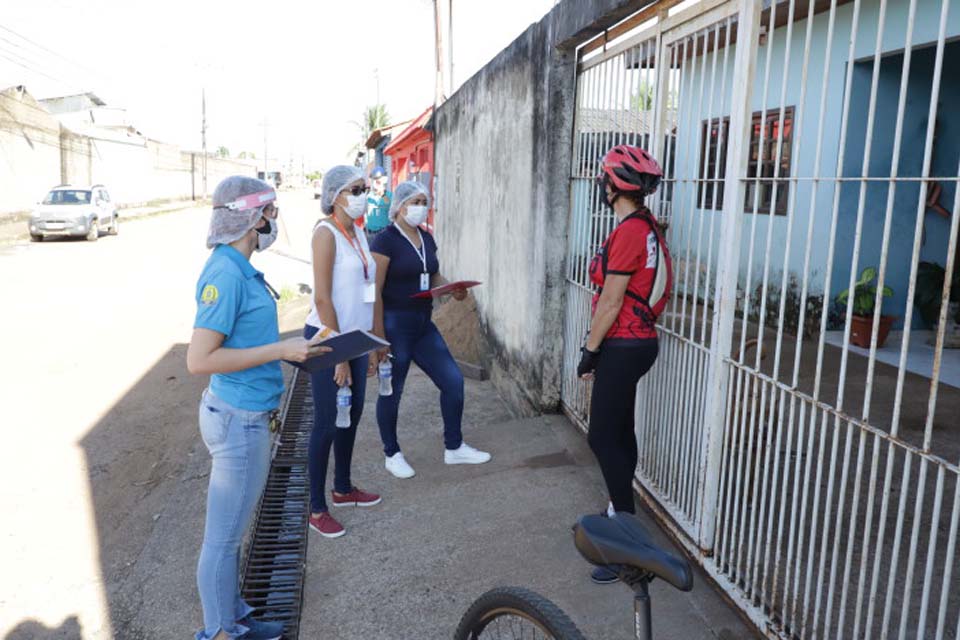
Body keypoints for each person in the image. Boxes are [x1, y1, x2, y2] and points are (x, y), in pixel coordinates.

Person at [187, 176, 331, 640]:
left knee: (230, 536)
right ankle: (221, 632)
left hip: (244, 416)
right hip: (238, 422)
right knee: (224, 540)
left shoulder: (240, 268)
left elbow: (248, 338)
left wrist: (299, 346)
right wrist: (280, 351)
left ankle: (234, 616)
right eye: (269, 213)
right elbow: (199, 359)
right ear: (252, 217)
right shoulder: (226, 273)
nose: (273, 222)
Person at [576, 145, 673, 585]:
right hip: (639, 341)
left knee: (600, 436)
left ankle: (627, 549)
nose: (600, 183)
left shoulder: (631, 231)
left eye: (603, 177)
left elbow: (612, 299)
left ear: (615, 186)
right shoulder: (646, 226)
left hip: (624, 342)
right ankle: (621, 511)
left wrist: (590, 349)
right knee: (620, 431)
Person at [370, 180, 491, 479]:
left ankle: (454, 447)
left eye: (425, 201)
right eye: (415, 201)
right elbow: (374, 290)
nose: (420, 207)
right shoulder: (385, 241)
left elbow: (432, 274)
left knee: (453, 381)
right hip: (395, 325)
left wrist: (452, 288)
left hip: (424, 324)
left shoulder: (426, 238)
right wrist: (378, 336)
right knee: (391, 391)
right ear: (399, 207)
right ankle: (391, 453)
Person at [304, 165, 382, 539]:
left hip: (355, 337)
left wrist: (367, 345)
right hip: (327, 337)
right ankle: (316, 508)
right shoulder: (326, 233)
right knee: (325, 423)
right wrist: (336, 356)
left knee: (349, 415)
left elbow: (367, 289)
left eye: (363, 188)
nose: (362, 195)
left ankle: (343, 487)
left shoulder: (360, 231)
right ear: (335, 195)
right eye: (355, 189)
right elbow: (322, 297)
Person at [364, 165, 392, 240]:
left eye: (378, 180)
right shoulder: (368, 195)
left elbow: (389, 205)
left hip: (384, 232)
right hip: (370, 233)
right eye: (374, 180)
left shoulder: (389, 195)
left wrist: (382, 193)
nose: (376, 183)